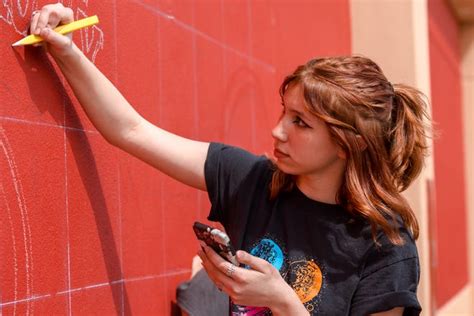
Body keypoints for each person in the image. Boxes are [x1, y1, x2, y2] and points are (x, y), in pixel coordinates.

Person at [29, 3, 431, 315]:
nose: (278, 131)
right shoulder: (253, 180)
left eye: (301, 123)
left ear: (348, 143)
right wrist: (66, 51)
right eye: (284, 112)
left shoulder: (387, 246)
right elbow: (130, 131)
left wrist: (285, 303)